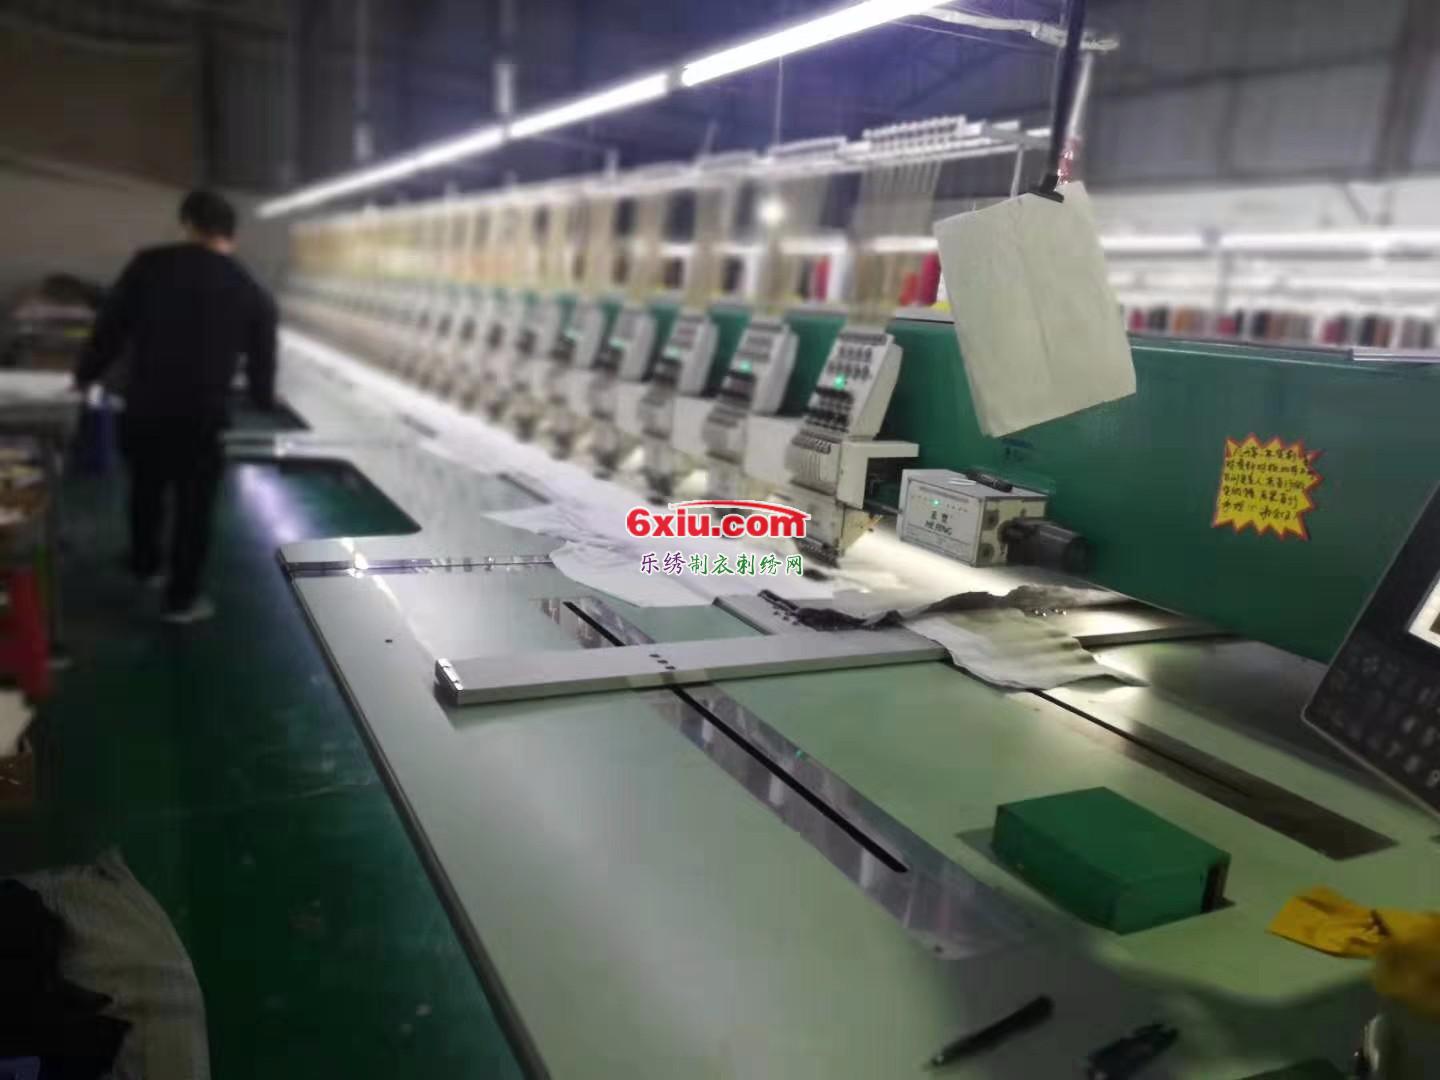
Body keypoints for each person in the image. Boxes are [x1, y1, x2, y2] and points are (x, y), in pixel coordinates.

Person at [75, 189, 277, 624]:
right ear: (232, 233)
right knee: (194, 507)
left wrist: (85, 375)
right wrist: (262, 398)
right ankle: (181, 600)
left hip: (145, 403)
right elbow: (263, 357)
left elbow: (109, 328)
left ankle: (145, 564)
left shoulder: (148, 265)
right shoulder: (249, 287)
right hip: (202, 414)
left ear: (187, 223)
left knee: (145, 487)